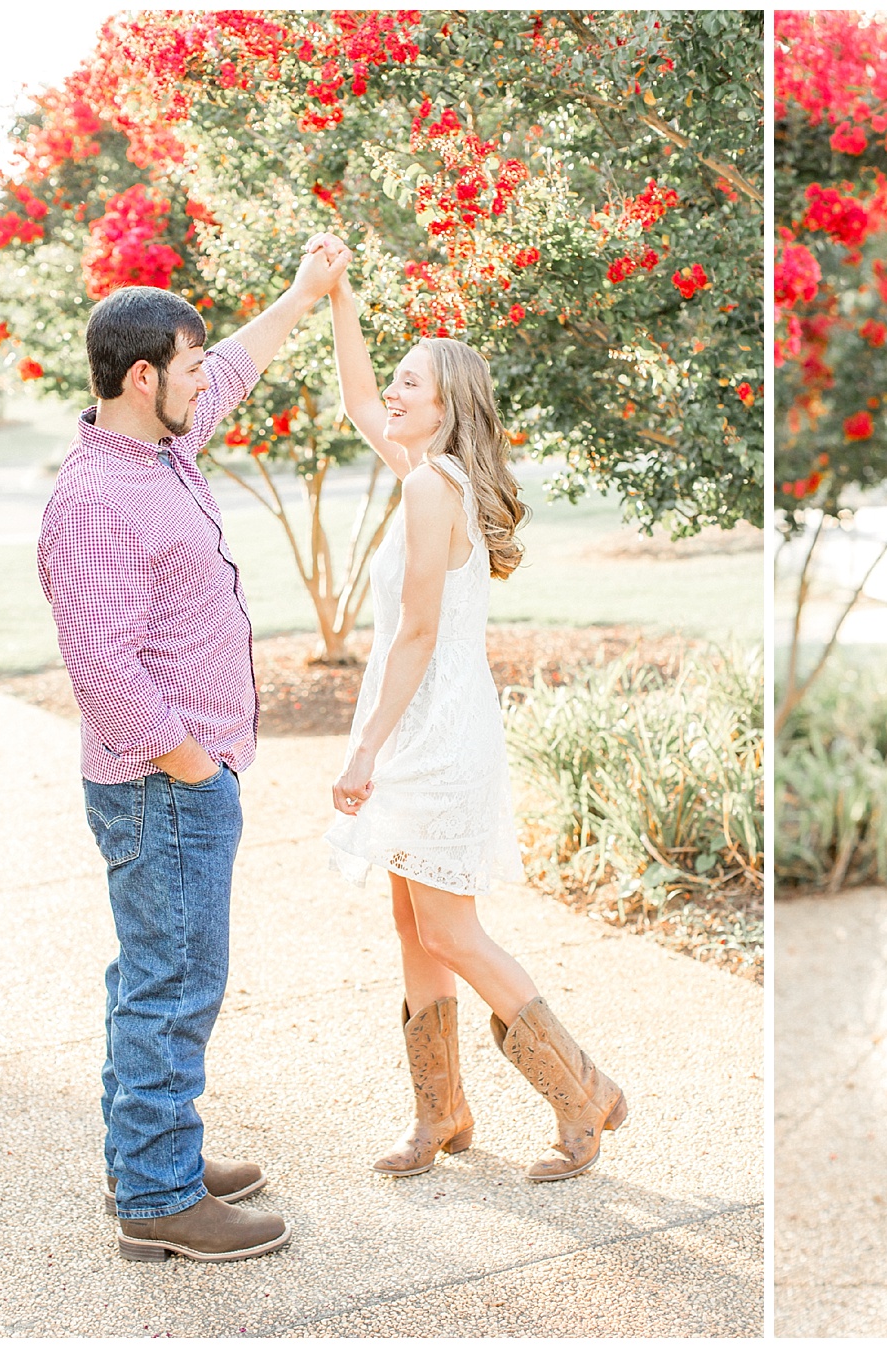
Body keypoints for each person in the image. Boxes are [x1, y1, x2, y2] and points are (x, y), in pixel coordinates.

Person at [39, 241, 350, 1263]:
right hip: (159, 786)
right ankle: (160, 1196)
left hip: (182, 779)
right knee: (174, 982)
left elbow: (241, 367)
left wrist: (304, 294)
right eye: (187, 366)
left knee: (153, 973)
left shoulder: (162, 445)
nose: (203, 379)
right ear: (141, 378)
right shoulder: (91, 499)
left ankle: (150, 1149)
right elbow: (102, 665)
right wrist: (184, 763)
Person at [317, 242, 628, 1184]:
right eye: (400, 379)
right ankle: (440, 1111)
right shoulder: (432, 472)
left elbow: (414, 634)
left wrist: (364, 745)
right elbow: (357, 401)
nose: (396, 394)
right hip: (429, 721)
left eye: (414, 382)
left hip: (431, 731)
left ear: (448, 404)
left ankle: (585, 1091)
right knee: (413, 926)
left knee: (450, 929)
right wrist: (340, 297)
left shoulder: (425, 486)